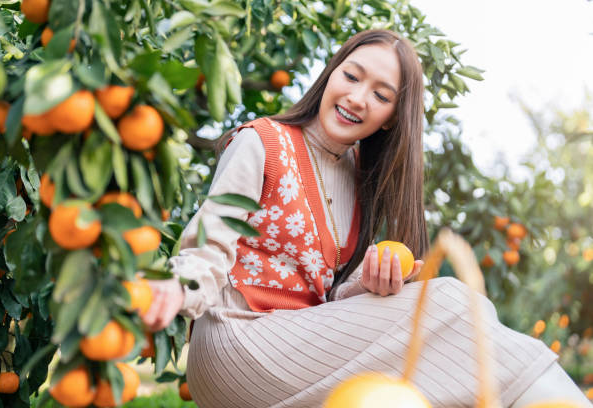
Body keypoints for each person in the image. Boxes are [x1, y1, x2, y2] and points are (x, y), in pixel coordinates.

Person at [142, 30, 592, 407]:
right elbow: (210, 245)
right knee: (452, 302)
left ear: (392, 118)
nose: (357, 98)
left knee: (440, 347)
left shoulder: (360, 178)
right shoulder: (263, 141)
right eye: (351, 76)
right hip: (236, 343)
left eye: (380, 95)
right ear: (330, 74)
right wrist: (175, 291)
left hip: (298, 349)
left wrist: (367, 283)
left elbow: (326, 296)